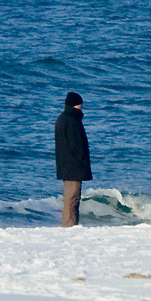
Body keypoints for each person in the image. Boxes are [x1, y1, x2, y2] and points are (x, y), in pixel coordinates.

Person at [55, 91, 92, 227]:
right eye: (79, 104)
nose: (80, 107)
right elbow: (77, 145)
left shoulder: (62, 118)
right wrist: (82, 162)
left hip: (66, 164)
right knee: (73, 198)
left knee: (70, 197)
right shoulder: (72, 120)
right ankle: (69, 225)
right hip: (73, 165)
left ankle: (69, 224)